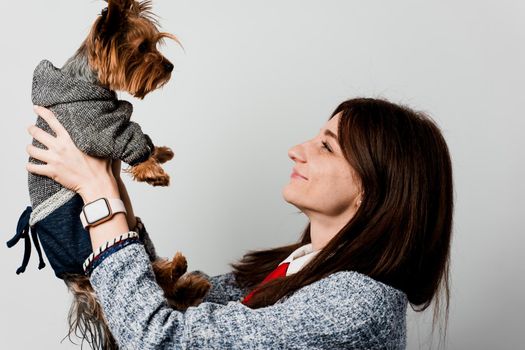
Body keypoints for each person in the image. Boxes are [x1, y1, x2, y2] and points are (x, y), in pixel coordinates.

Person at [25, 97, 453, 349]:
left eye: (327, 146)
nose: (297, 150)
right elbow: (173, 304)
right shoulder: (294, 271)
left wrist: (99, 198)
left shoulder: (358, 304)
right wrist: (110, 183)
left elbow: (157, 339)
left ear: (373, 188)